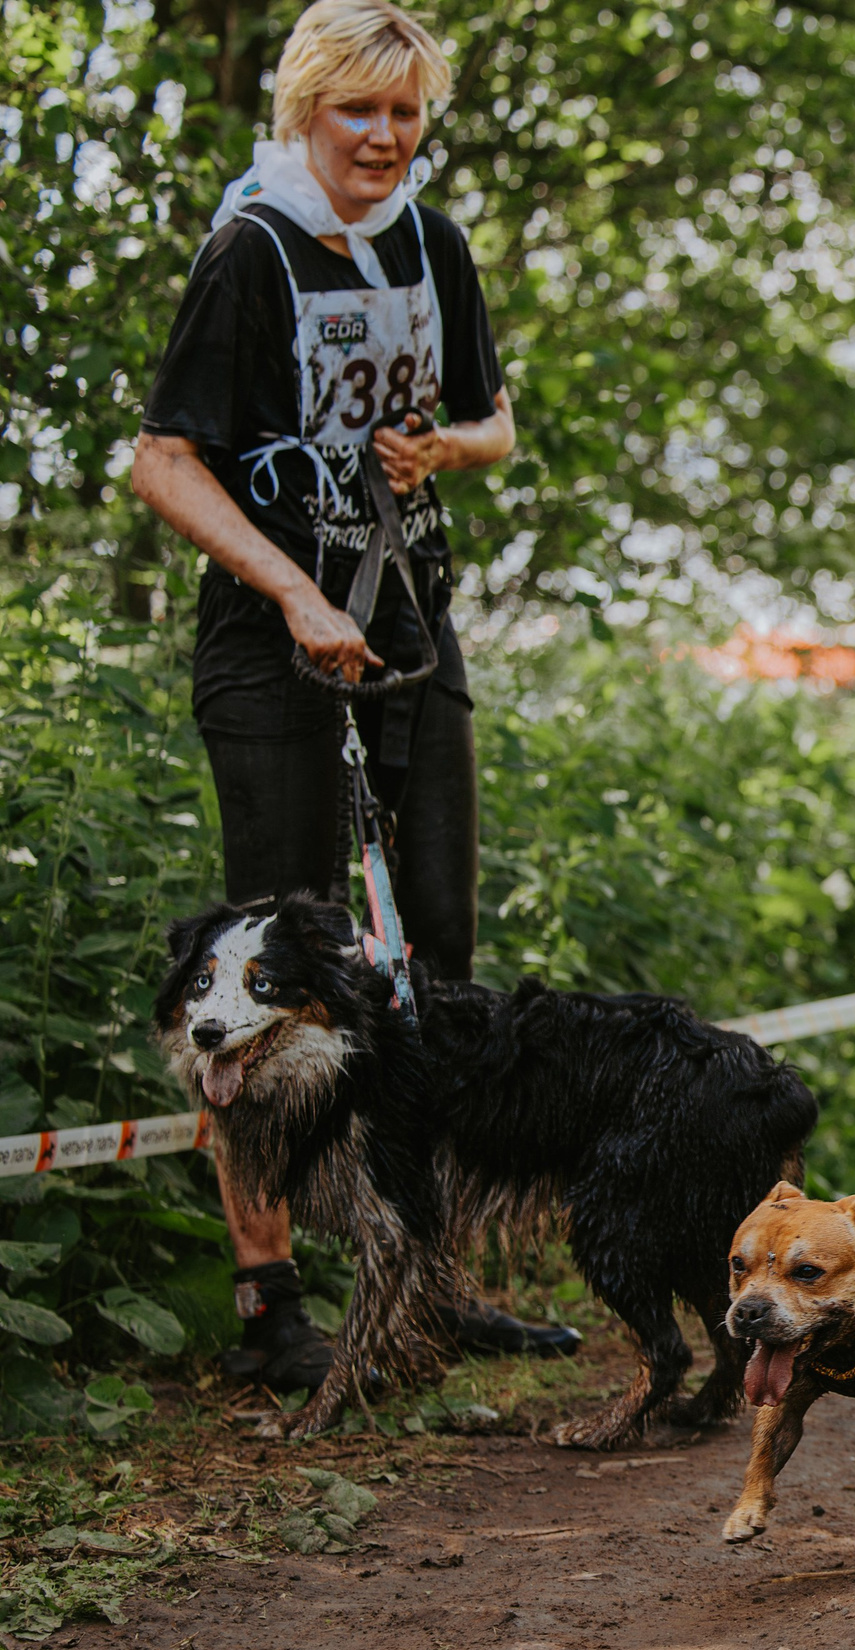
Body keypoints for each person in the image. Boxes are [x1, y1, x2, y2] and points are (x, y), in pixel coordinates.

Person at [131, 0, 575, 1387]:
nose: (384, 138)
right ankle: (271, 1303)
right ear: (305, 114)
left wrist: (449, 447)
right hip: (276, 646)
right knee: (267, 979)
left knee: (434, 954)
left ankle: (427, 1283)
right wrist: (292, 592)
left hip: (410, 633)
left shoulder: (432, 242)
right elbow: (160, 461)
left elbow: (500, 421)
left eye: (404, 115)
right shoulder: (250, 251)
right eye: (358, 113)